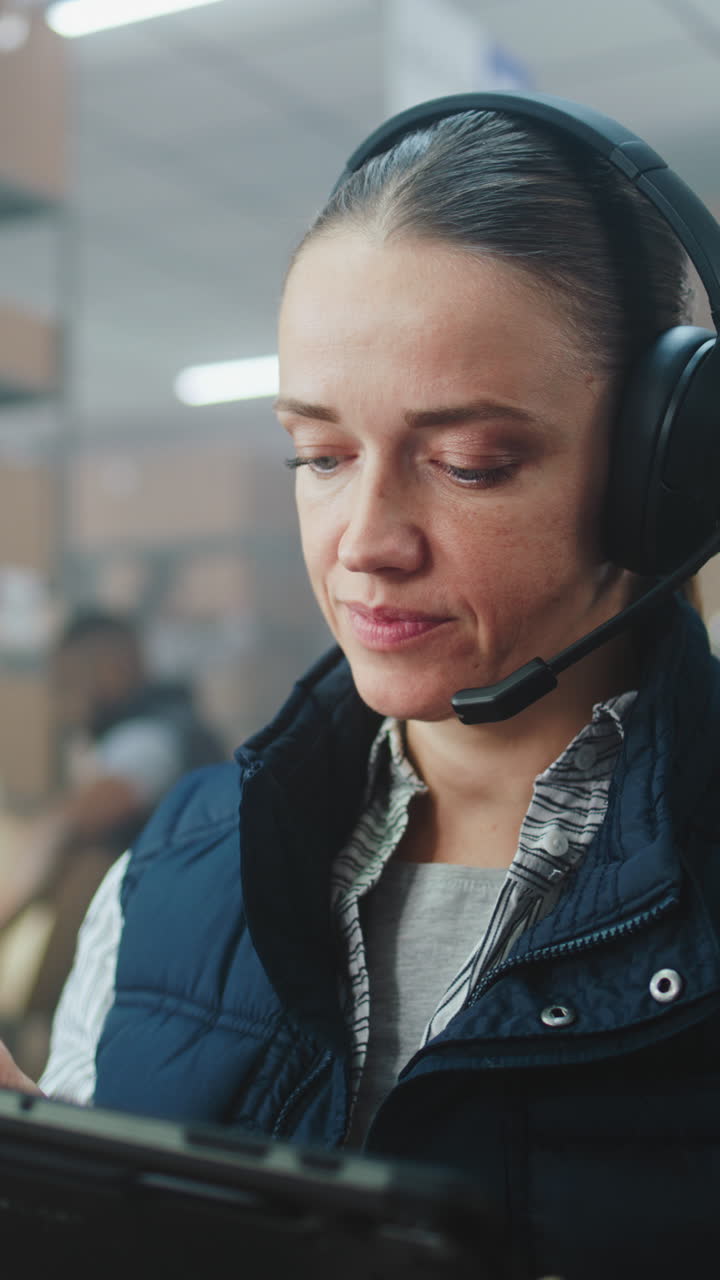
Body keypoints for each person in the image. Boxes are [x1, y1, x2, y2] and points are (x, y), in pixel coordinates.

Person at [2, 92, 720, 1277]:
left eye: (470, 463)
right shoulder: (175, 867)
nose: (365, 539)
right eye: (321, 456)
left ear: (669, 473)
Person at [0, 608, 226, 1058]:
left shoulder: (151, 738)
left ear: (116, 664)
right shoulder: (161, 731)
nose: (64, 700)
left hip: (160, 973)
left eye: (71, 680)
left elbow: (71, 824)